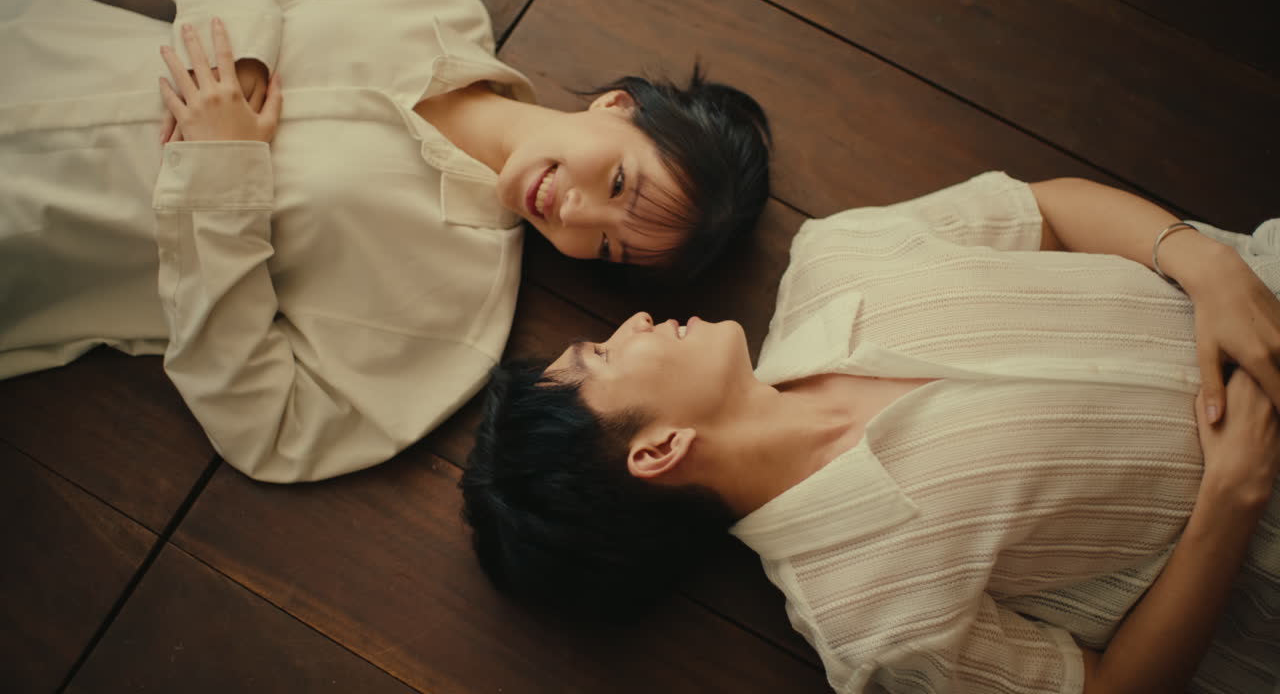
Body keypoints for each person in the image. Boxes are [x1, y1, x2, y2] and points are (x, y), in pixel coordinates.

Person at [461, 172, 1280, 693]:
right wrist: (1233, 498)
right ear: (658, 451)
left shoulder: (839, 255)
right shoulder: (870, 618)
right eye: (602, 355)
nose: (633, 319)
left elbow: (1046, 209)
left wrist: (1202, 264)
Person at [0, 0, 771, 482]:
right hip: (31, 47)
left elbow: (272, 429)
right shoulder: (433, 3)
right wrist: (239, 61)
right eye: (617, 183)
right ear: (619, 106)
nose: (576, 215)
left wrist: (221, 176)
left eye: (607, 245)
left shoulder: (457, 315)